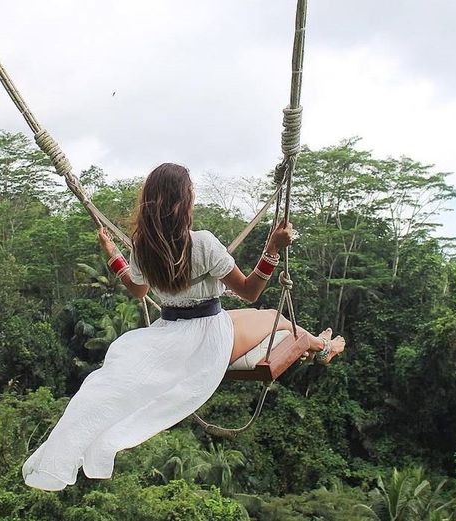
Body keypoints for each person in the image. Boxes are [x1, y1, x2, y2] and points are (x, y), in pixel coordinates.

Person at [22, 163, 345, 491]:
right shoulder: (202, 244)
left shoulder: (142, 247)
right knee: (283, 323)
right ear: (183, 202)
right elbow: (249, 291)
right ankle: (325, 348)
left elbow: (138, 291)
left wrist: (112, 253)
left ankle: (321, 345)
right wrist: (272, 249)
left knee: (102, 391)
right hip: (207, 335)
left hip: (169, 332)